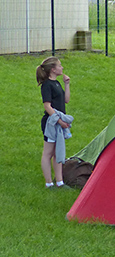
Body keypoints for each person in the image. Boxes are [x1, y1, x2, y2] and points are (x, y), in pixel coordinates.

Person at [37, 57, 71, 188]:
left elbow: (66, 100)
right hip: (50, 123)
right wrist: (60, 121)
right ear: (53, 69)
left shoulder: (57, 83)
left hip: (58, 122)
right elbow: (47, 106)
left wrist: (67, 84)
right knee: (48, 153)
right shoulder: (47, 85)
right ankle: (48, 183)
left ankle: (60, 182)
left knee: (58, 152)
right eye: (60, 65)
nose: (62, 67)